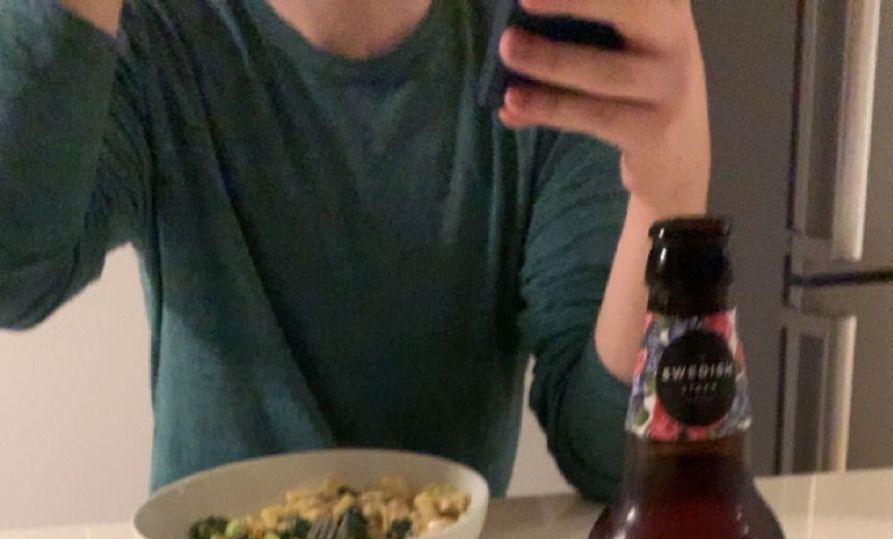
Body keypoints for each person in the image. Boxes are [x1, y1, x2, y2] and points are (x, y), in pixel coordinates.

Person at [0, 0, 708, 501]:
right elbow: (13, 275)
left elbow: (615, 459)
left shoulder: (540, 54)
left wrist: (670, 193)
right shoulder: (159, 30)